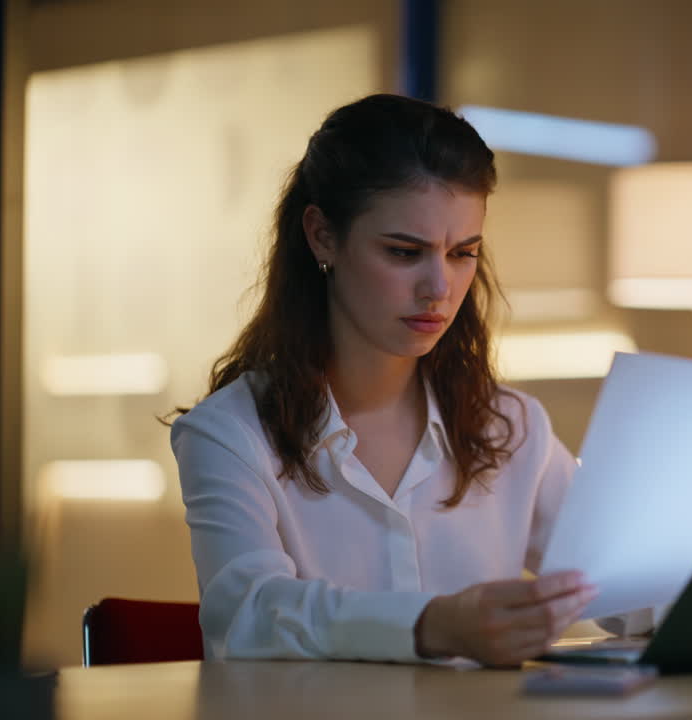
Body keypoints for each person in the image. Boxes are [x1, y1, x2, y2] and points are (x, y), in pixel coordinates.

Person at [170, 93, 598, 666]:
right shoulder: (230, 433)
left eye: (462, 253)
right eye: (404, 252)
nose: (439, 289)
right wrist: (434, 625)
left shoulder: (513, 427)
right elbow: (250, 613)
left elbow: (622, 584)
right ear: (322, 235)